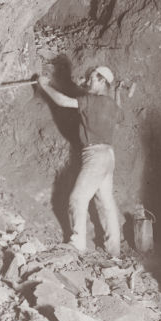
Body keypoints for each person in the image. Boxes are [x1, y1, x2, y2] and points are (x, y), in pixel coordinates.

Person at [37, 66, 123, 257]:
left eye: (92, 78)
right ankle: (114, 251)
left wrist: (45, 86)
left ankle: (77, 244)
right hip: (109, 155)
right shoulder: (111, 105)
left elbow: (62, 101)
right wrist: (117, 94)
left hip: (95, 155)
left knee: (77, 198)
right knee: (107, 203)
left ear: (102, 82)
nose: (88, 82)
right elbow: (121, 115)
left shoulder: (91, 101)